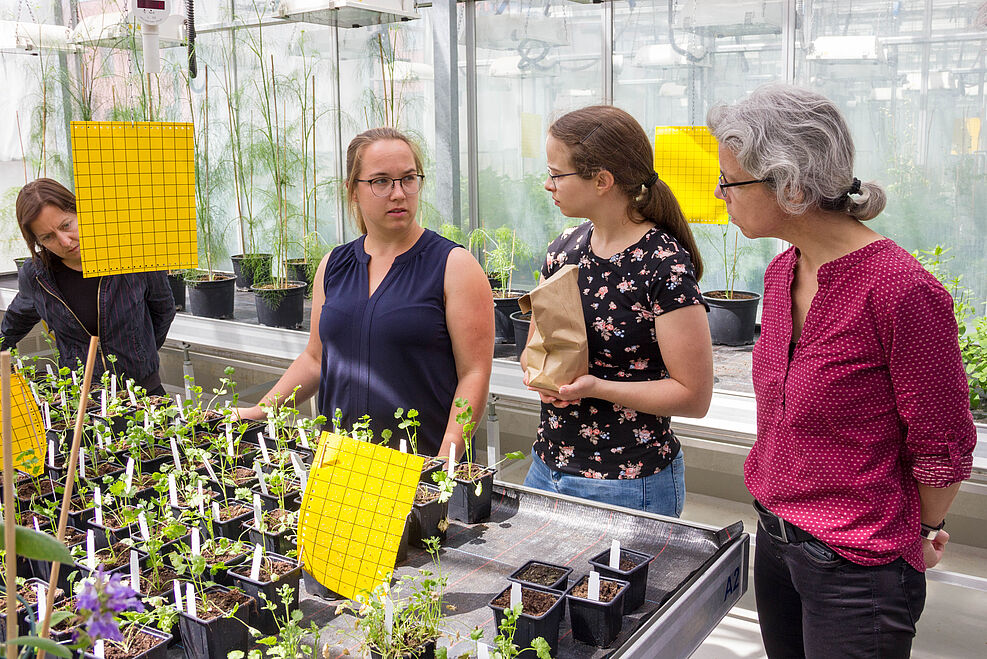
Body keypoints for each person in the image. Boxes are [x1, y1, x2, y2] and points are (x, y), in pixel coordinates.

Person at [708, 84, 977, 657]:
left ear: (792, 186)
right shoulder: (782, 274)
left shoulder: (901, 290)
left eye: (730, 180)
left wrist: (923, 531)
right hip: (777, 540)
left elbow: (942, 440)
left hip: (859, 565)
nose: (719, 193)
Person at [236, 128, 493, 458]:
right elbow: (316, 359)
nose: (398, 193)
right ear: (353, 191)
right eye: (381, 181)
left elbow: (474, 374)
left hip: (418, 466)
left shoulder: (453, 266)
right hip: (339, 463)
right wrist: (262, 411)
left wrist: (445, 463)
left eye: (408, 178)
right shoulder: (334, 264)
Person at [521, 105, 714, 517]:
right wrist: (539, 377)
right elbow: (538, 345)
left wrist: (595, 387)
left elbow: (693, 396)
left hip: (628, 484)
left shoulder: (663, 264)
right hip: (547, 469)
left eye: (557, 174)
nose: (547, 184)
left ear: (602, 180)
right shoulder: (564, 250)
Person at [0, 178, 175, 394]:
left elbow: (163, 309)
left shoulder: (133, 254)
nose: (65, 241)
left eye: (66, 225)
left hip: (144, 394)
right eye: (48, 237)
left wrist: (139, 352)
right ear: (37, 241)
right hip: (83, 403)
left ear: (79, 212)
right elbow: (15, 322)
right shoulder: (37, 276)